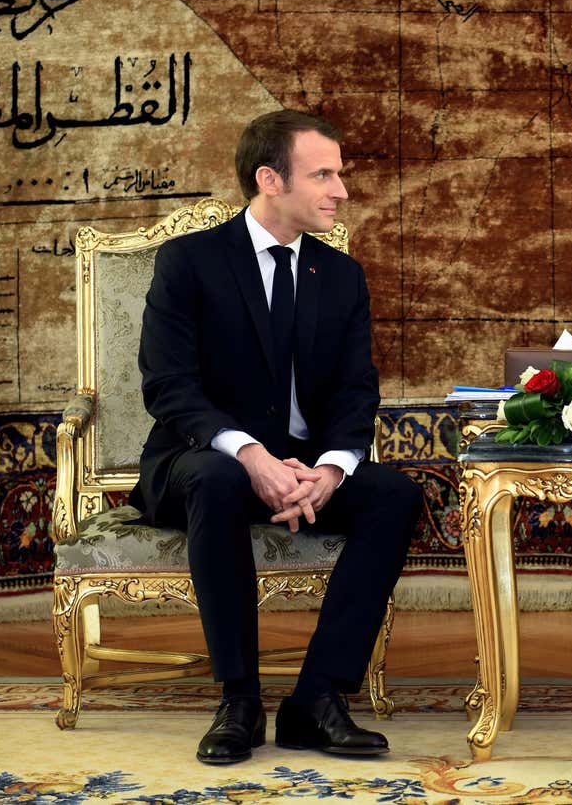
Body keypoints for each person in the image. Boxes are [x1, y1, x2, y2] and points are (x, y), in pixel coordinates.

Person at [133, 109, 422, 765]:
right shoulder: (189, 263)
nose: (340, 191)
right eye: (323, 175)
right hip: (201, 464)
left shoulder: (341, 275)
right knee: (217, 478)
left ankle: (317, 700)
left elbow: (356, 391)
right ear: (269, 179)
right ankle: (238, 699)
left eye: (339, 175)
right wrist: (251, 454)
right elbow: (168, 384)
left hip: (301, 470)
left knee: (394, 496)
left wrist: (331, 470)